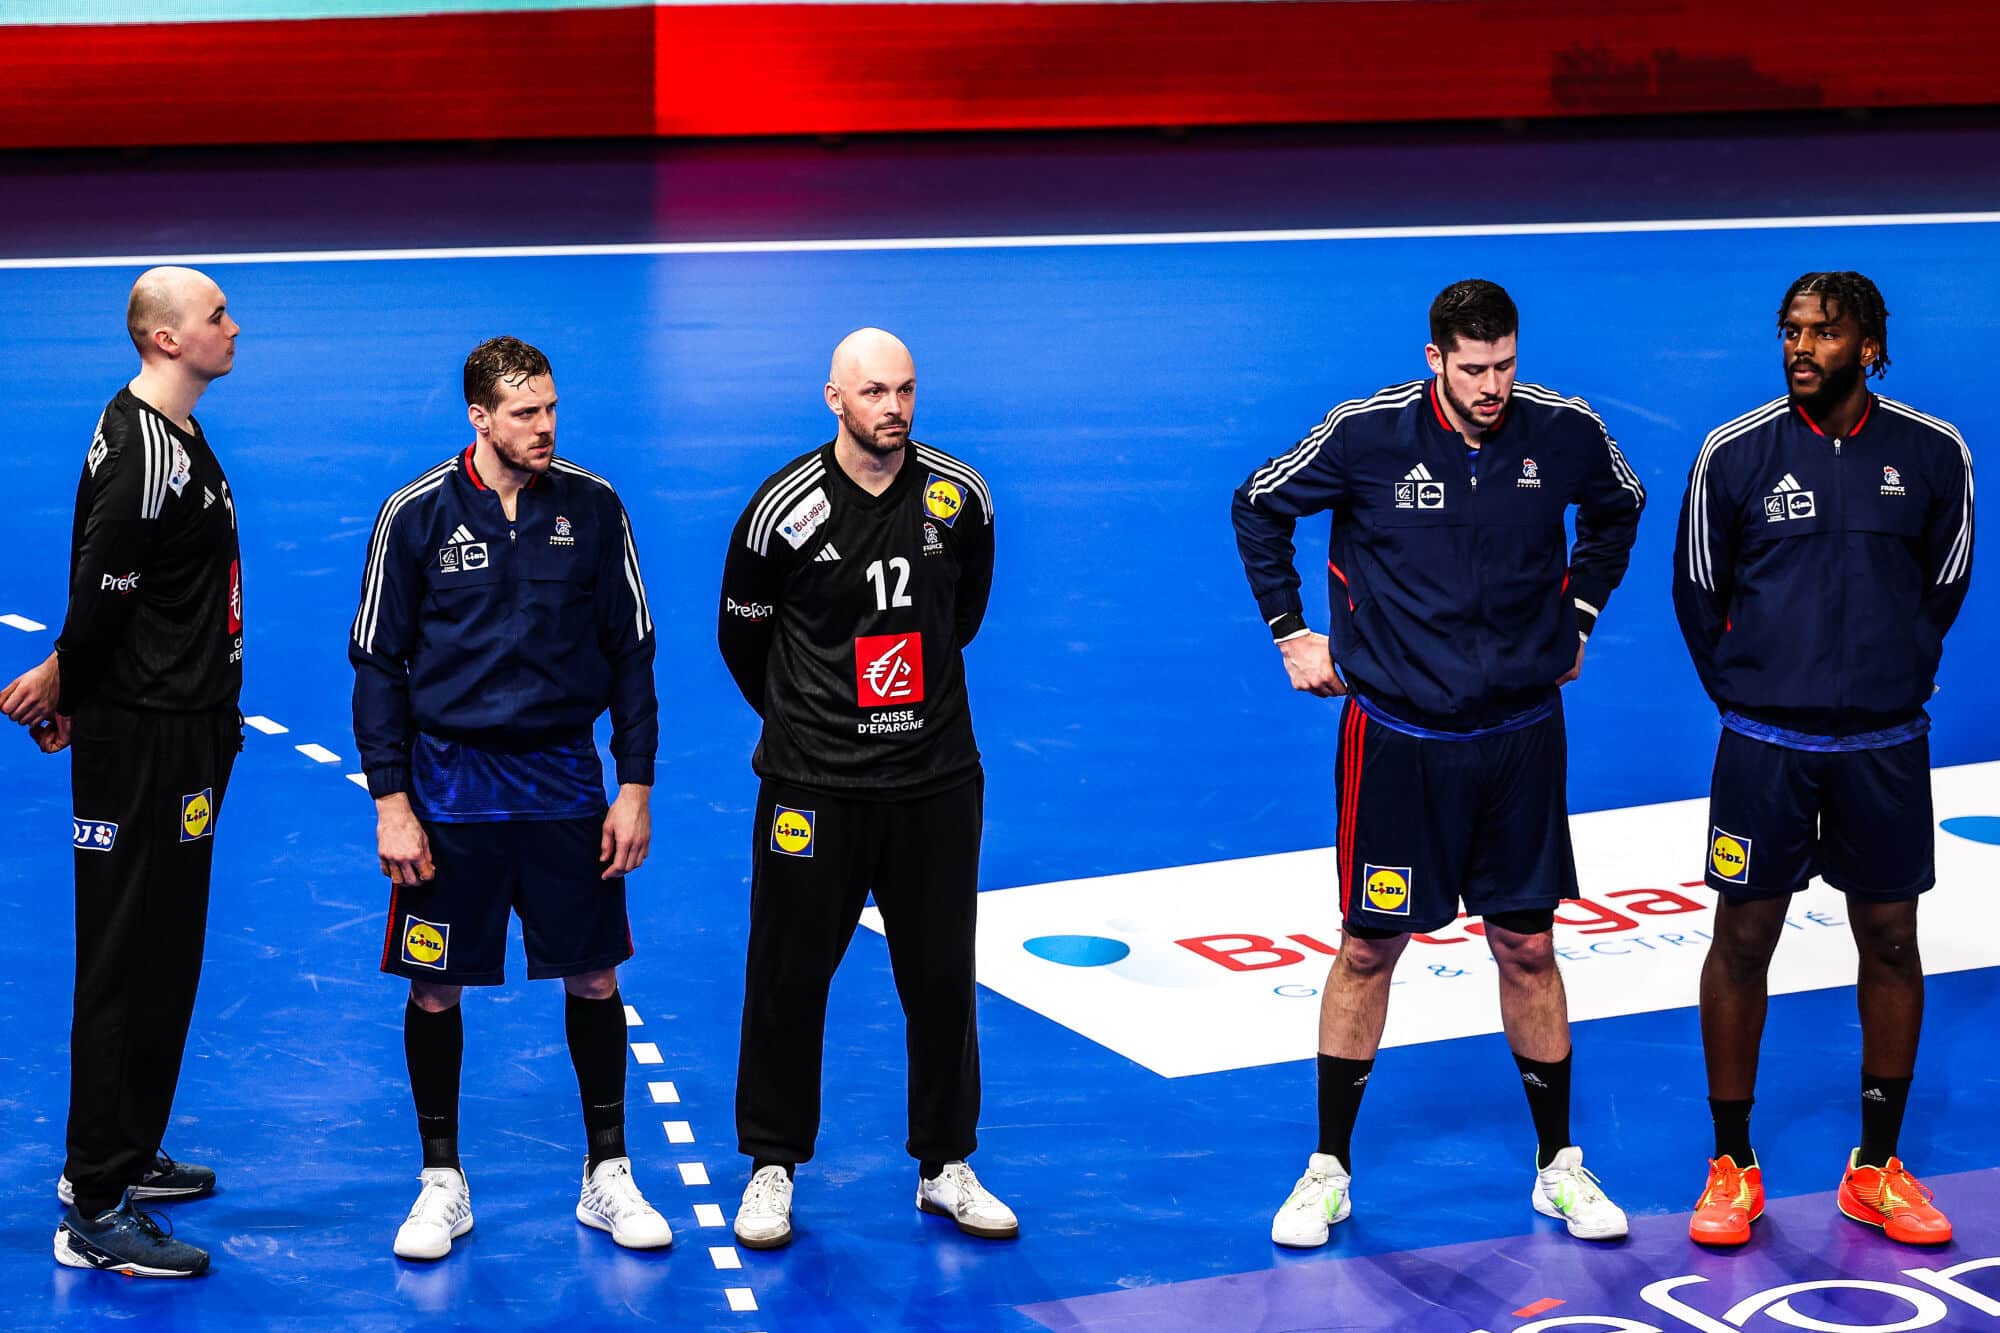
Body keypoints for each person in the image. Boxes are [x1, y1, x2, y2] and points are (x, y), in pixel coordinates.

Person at [1231, 279, 1646, 1248]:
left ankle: (1557, 1166)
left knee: (1528, 946)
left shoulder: (1564, 431)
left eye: (1503, 364)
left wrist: (1577, 612)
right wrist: (1292, 632)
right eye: (1471, 369)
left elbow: (1618, 508)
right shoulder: (1364, 434)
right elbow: (1257, 505)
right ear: (1434, 361)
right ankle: (1326, 1167)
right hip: (1397, 744)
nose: (1492, 386)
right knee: (1368, 948)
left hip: (1518, 739)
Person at [348, 336, 669, 1260]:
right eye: (525, 413)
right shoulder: (414, 515)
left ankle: (607, 1170)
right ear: (479, 417)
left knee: (595, 972)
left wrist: (635, 782)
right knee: (436, 983)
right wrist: (391, 800)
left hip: (567, 781)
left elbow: (631, 655)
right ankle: (441, 1177)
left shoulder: (596, 507)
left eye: (552, 409)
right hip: (450, 785)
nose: (545, 427)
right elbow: (378, 664)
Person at [1673, 272, 1973, 1248]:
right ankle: (1731, 1163)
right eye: (1790, 331)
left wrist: (1885, 670)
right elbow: (1697, 591)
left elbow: (1942, 583)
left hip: (1884, 745)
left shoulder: (1931, 454)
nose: (1801, 348)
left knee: (1888, 939)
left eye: (1823, 332)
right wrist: (1759, 690)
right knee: (1743, 939)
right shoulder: (1733, 452)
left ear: (1869, 345)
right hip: (1763, 744)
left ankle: (1874, 1168)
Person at [717, 327, 1012, 1250]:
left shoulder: (957, 497)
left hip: (933, 781)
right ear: (835, 400)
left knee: (939, 978)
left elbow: (960, 616)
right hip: (815, 787)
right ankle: (772, 1164)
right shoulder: (782, 511)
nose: (894, 409)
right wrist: (815, 721)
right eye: (875, 392)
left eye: (907, 391)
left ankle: (945, 1163)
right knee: (788, 976)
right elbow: (743, 641)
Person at [0, 267, 243, 1277]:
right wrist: (68, 685)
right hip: (142, 738)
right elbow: (100, 591)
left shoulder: (171, 434)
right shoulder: (148, 454)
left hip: (181, 724)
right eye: (216, 315)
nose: (234, 327)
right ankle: (94, 1201)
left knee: (166, 950)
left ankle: (126, 1149)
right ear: (164, 340)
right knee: (126, 959)